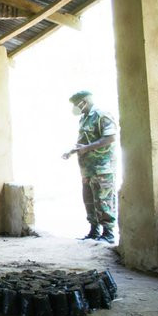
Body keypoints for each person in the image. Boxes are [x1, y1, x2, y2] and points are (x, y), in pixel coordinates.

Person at [62, 91, 117, 244]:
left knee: (103, 199)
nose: (75, 107)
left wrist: (87, 148)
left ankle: (108, 233)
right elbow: (85, 141)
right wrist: (72, 151)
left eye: (76, 103)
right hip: (87, 169)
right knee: (89, 199)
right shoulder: (84, 118)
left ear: (84, 101)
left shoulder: (101, 115)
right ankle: (94, 231)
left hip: (102, 168)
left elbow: (110, 137)